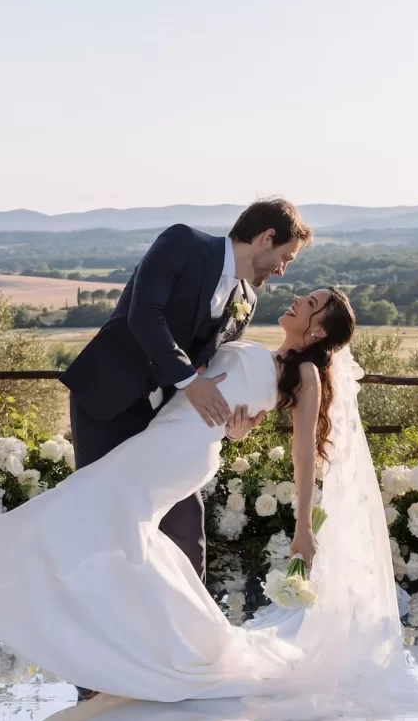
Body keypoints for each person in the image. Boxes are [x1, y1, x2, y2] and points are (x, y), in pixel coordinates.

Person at [0, 287, 418, 712]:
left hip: (180, 452)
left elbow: (304, 453)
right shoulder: (268, 354)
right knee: (123, 534)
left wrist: (303, 526)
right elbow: (223, 399)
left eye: (310, 303)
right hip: (166, 440)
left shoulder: (306, 375)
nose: (297, 300)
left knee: (76, 501)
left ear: (318, 331)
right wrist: (237, 427)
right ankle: (191, 647)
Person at [61, 198, 312, 576]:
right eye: (285, 257)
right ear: (266, 238)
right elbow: (144, 315)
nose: (282, 270)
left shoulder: (247, 299)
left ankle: (189, 614)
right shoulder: (183, 244)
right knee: (101, 516)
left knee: (186, 530)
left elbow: (215, 366)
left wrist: (233, 424)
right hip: (108, 401)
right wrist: (191, 382)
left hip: (168, 424)